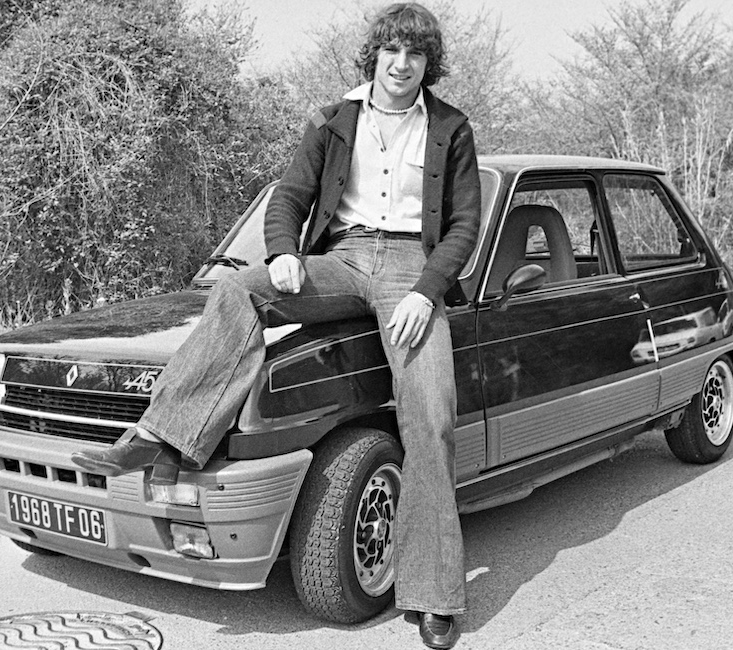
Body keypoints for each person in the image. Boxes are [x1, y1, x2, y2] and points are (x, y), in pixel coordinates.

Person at [72, 4, 480, 648]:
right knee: (238, 288)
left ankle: (433, 595)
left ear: (429, 63)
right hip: (342, 256)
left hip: (411, 268)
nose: (402, 65)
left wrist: (427, 293)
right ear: (373, 55)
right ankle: (163, 437)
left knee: (431, 420)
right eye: (392, 51)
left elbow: (463, 225)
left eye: (415, 54)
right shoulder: (333, 120)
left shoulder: (451, 127)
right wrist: (285, 251)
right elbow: (289, 196)